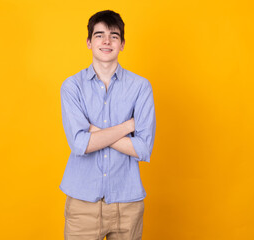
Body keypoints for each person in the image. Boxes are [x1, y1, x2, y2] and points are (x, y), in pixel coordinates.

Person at [60, 10, 156, 240]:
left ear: (122, 44)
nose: (106, 41)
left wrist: (93, 130)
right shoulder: (72, 86)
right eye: (99, 35)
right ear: (89, 42)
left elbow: (142, 149)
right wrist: (127, 126)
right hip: (82, 204)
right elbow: (80, 144)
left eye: (114, 36)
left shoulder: (141, 87)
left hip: (127, 204)